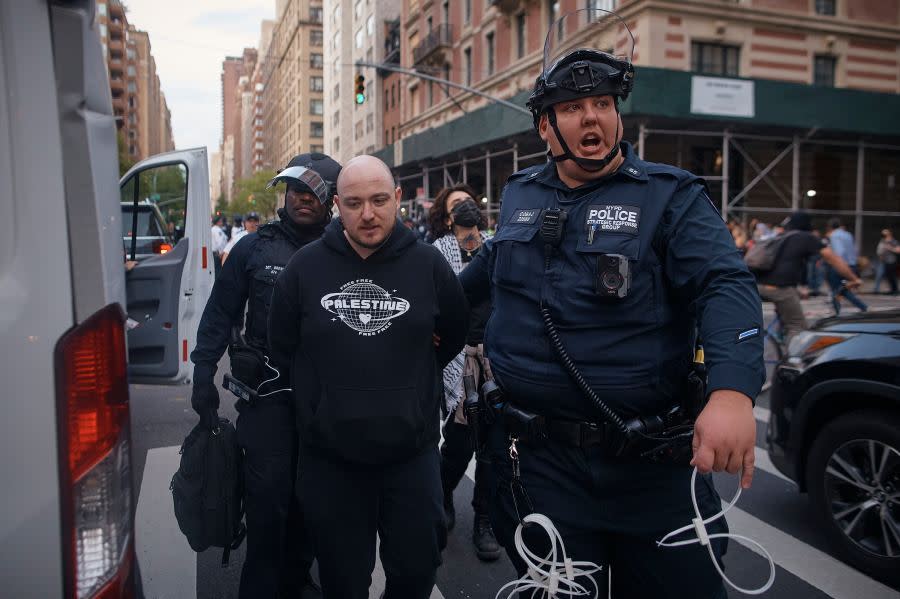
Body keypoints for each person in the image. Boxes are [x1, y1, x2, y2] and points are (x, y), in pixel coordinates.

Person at [459, 15, 766, 597]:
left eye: (602, 102)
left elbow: (726, 285)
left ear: (618, 115)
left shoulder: (668, 195)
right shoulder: (521, 193)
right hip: (540, 467)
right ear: (546, 128)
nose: (591, 116)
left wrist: (731, 393)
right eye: (573, 107)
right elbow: (481, 277)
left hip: (651, 468)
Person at [267, 155, 469, 599]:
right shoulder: (304, 269)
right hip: (331, 463)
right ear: (337, 204)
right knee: (342, 583)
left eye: (379, 200)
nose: (369, 214)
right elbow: (281, 345)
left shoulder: (429, 266)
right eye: (355, 203)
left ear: (397, 198)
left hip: (411, 459)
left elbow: (454, 331)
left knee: (416, 574)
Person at [189, 152, 343, 599]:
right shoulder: (253, 248)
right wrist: (202, 371)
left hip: (325, 404)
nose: (301, 197)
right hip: (266, 400)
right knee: (267, 502)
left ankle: (297, 577)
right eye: (294, 188)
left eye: (312, 190)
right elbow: (220, 312)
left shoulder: (347, 247)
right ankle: (259, 586)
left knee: (311, 503)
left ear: (331, 198)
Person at [428, 184, 500, 561]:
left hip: (497, 361)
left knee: (493, 446)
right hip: (461, 359)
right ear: (446, 216)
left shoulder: (495, 248)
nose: (466, 210)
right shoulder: (438, 253)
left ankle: (484, 519)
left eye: (471, 203)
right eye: (458, 206)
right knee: (458, 443)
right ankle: (442, 496)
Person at [756, 213, 861, 346]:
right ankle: (793, 360)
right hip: (779, 288)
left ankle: (780, 338)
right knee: (797, 327)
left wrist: (798, 290)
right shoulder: (807, 238)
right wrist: (854, 278)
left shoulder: (781, 236)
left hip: (759, 284)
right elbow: (833, 259)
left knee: (787, 310)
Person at [826, 218, 868, 314]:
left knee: (837, 289)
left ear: (830, 227)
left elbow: (839, 252)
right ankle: (861, 307)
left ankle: (839, 311)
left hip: (841, 266)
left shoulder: (834, 236)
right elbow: (855, 249)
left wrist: (833, 260)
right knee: (842, 289)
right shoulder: (847, 234)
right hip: (852, 265)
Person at [874, 228, 899, 295]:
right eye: (883, 234)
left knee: (892, 276)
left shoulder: (894, 241)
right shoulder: (882, 241)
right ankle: (891, 290)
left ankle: (895, 290)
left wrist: (890, 248)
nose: (884, 235)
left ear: (889, 234)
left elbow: (898, 250)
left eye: (885, 234)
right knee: (888, 277)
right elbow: (879, 251)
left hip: (892, 261)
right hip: (884, 261)